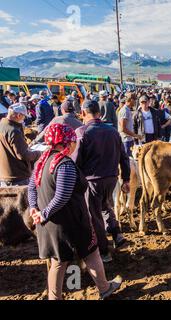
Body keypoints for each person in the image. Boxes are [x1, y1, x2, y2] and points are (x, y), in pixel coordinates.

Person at [28, 123, 122, 300]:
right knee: (92, 253)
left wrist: (35, 208)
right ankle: (104, 288)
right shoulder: (64, 165)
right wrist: (44, 212)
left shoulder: (41, 162)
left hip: (49, 226)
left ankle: (54, 298)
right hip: (72, 223)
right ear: (66, 143)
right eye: (73, 142)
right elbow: (62, 196)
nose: (74, 145)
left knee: (58, 261)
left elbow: (32, 188)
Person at [74, 100, 131, 263]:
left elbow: (76, 160)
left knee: (94, 216)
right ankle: (117, 233)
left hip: (92, 180)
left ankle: (104, 250)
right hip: (111, 178)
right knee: (106, 206)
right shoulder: (113, 131)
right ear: (99, 113)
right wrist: (125, 178)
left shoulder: (81, 132)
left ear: (83, 113)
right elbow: (124, 157)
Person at [0, 104, 41, 186]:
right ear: (19, 115)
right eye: (24, 117)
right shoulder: (13, 131)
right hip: (17, 176)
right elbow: (23, 155)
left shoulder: (2, 125)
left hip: (4, 174)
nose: (24, 119)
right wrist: (38, 153)